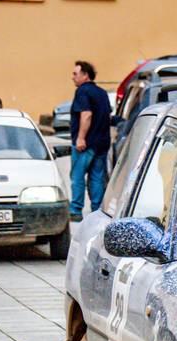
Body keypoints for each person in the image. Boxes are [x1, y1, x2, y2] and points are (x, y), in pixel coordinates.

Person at [69, 60, 111, 221]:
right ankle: (97, 211)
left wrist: (81, 138)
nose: (72, 77)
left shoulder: (82, 91)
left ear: (85, 75)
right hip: (101, 143)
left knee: (77, 177)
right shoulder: (102, 93)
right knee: (97, 178)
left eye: (75, 74)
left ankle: (76, 210)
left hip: (85, 144)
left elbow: (86, 114)